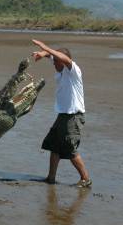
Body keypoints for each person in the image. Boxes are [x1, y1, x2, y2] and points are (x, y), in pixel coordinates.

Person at [31, 39, 91, 188]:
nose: (54, 64)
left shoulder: (73, 71)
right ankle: (51, 178)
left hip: (73, 116)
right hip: (63, 115)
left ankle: (85, 179)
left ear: (63, 62)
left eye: (56, 62)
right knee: (54, 146)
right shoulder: (61, 67)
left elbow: (64, 58)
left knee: (70, 148)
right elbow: (53, 56)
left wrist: (46, 47)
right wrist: (42, 53)